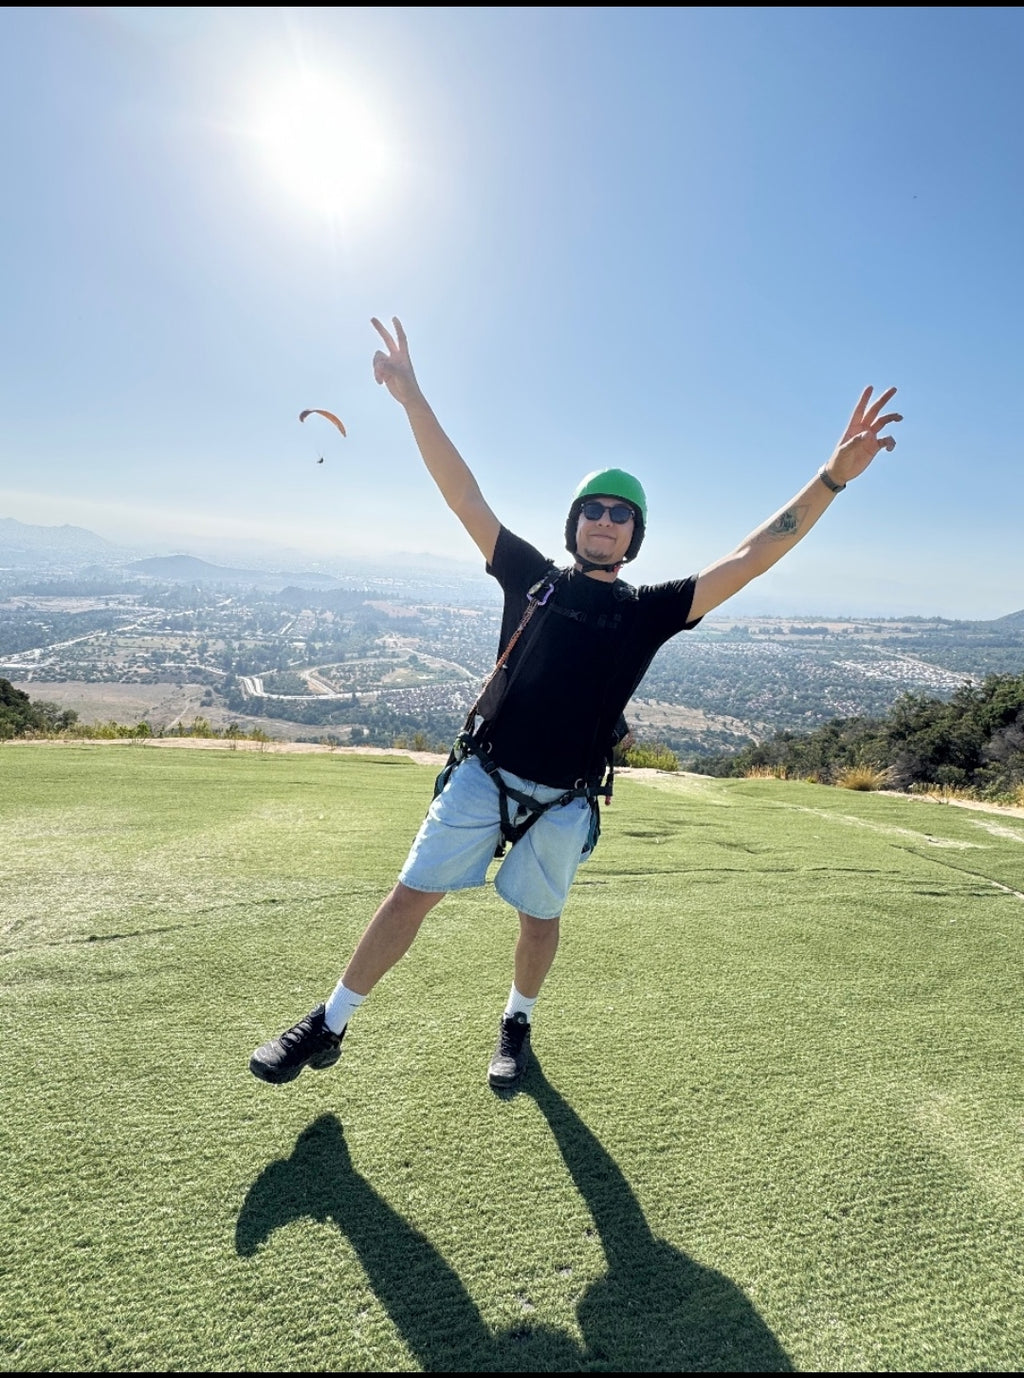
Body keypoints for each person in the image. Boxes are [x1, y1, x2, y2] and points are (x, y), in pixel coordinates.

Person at [250, 317, 901, 1092]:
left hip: (564, 799)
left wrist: (831, 479)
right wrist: (412, 397)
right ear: (575, 525)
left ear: (635, 536)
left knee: (539, 919)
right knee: (410, 894)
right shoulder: (529, 575)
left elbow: (753, 555)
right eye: (593, 508)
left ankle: (516, 1021)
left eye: (620, 513)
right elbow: (462, 491)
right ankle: (328, 1023)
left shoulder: (648, 610)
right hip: (485, 774)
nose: (604, 519)